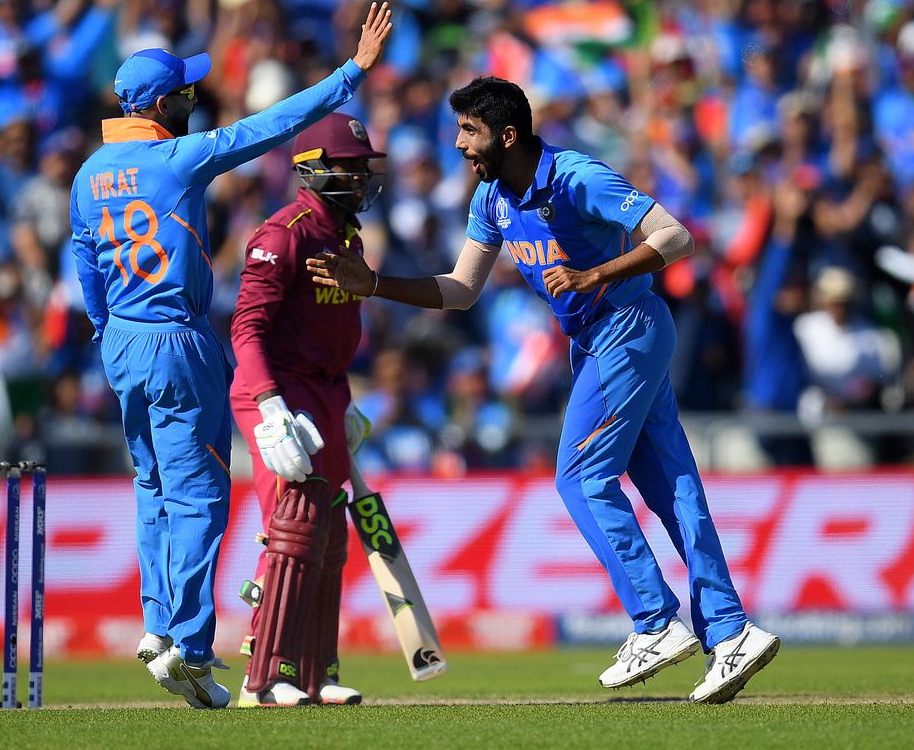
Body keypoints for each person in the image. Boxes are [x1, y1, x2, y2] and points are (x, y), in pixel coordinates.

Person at [307, 76, 780, 705]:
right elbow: (460, 288)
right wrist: (373, 285)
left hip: (625, 327)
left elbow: (676, 236)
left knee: (581, 478)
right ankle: (730, 631)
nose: (458, 146)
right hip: (607, 340)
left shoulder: (577, 175)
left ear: (508, 134)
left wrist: (595, 273)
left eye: (469, 132)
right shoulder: (492, 198)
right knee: (673, 488)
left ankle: (655, 621)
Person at [70, 3, 392, 710]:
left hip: (120, 341)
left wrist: (106, 335)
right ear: (163, 105)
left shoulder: (88, 174)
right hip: (176, 337)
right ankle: (186, 646)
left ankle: (159, 626)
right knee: (199, 498)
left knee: (152, 487)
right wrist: (351, 74)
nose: (196, 100)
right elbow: (271, 126)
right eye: (186, 93)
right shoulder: (177, 158)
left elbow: (85, 264)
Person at [228, 111, 385, 707]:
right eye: (349, 168)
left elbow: (338, 324)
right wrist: (271, 408)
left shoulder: (348, 236)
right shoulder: (282, 233)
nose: (361, 179)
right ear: (311, 171)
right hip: (276, 390)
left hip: (326, 391)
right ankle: (264, 678)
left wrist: (341, 400)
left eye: (364, 168)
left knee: (327, 529)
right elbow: (247, 328)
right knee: (292, 529)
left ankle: (317, 671)